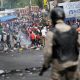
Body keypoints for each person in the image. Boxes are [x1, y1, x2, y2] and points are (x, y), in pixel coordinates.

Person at [39, 7, 80, 80]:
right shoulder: (73, 30)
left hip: (60, 66)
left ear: (53, 19)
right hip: (74, 64)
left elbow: (48, 53)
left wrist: (45, 65)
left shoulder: (51, 33)